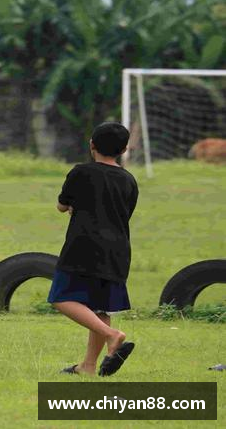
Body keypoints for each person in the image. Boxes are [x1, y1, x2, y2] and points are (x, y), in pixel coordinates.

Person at [48, 122, 138, 376]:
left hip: (83, 246)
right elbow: (124, 213)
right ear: (123, 150)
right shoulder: (129, 180)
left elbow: (62, 205)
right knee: (100, 308)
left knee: (61, 297)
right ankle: (87, 366)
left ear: (92, 145)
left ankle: (112, 335)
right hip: (118, 250)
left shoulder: (81, 172)